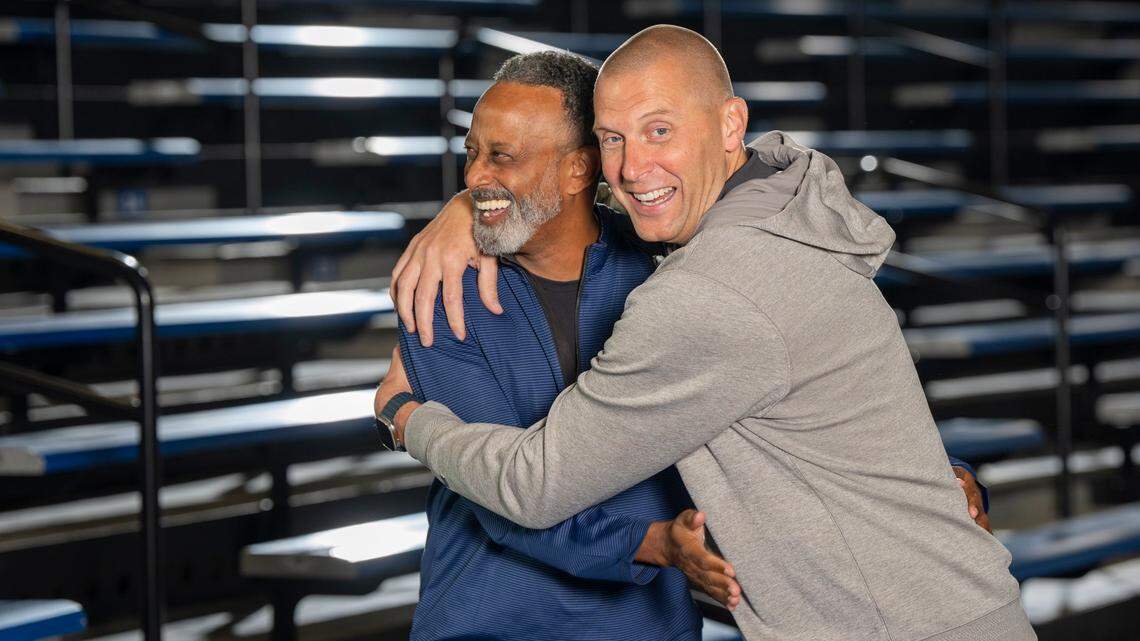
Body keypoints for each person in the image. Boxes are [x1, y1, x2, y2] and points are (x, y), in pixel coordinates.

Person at [375, 25, 1031, 641]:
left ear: (729, 125)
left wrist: (404, 415)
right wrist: (477, 205)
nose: (633, 166)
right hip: (496, 622)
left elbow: (535, 481)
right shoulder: (793, 215)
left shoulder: (688, 283)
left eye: (659, 130)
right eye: (613, 139)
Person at [377, 50, 730, 641]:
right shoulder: (443, 286)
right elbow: (501, 491)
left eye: (502, 157)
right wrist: (651, 543)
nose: (473, 179)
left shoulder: (665, 271)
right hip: (492, 622)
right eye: (473, 155)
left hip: (646, 627)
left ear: (578, 170)